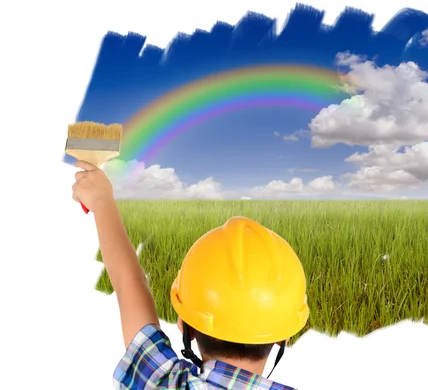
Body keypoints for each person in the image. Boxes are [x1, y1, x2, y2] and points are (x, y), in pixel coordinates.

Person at [72, 160, 310, 389]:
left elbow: (128, 281)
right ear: (285, 337)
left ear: (185, 325)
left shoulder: (160, 383)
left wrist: (102, 200)